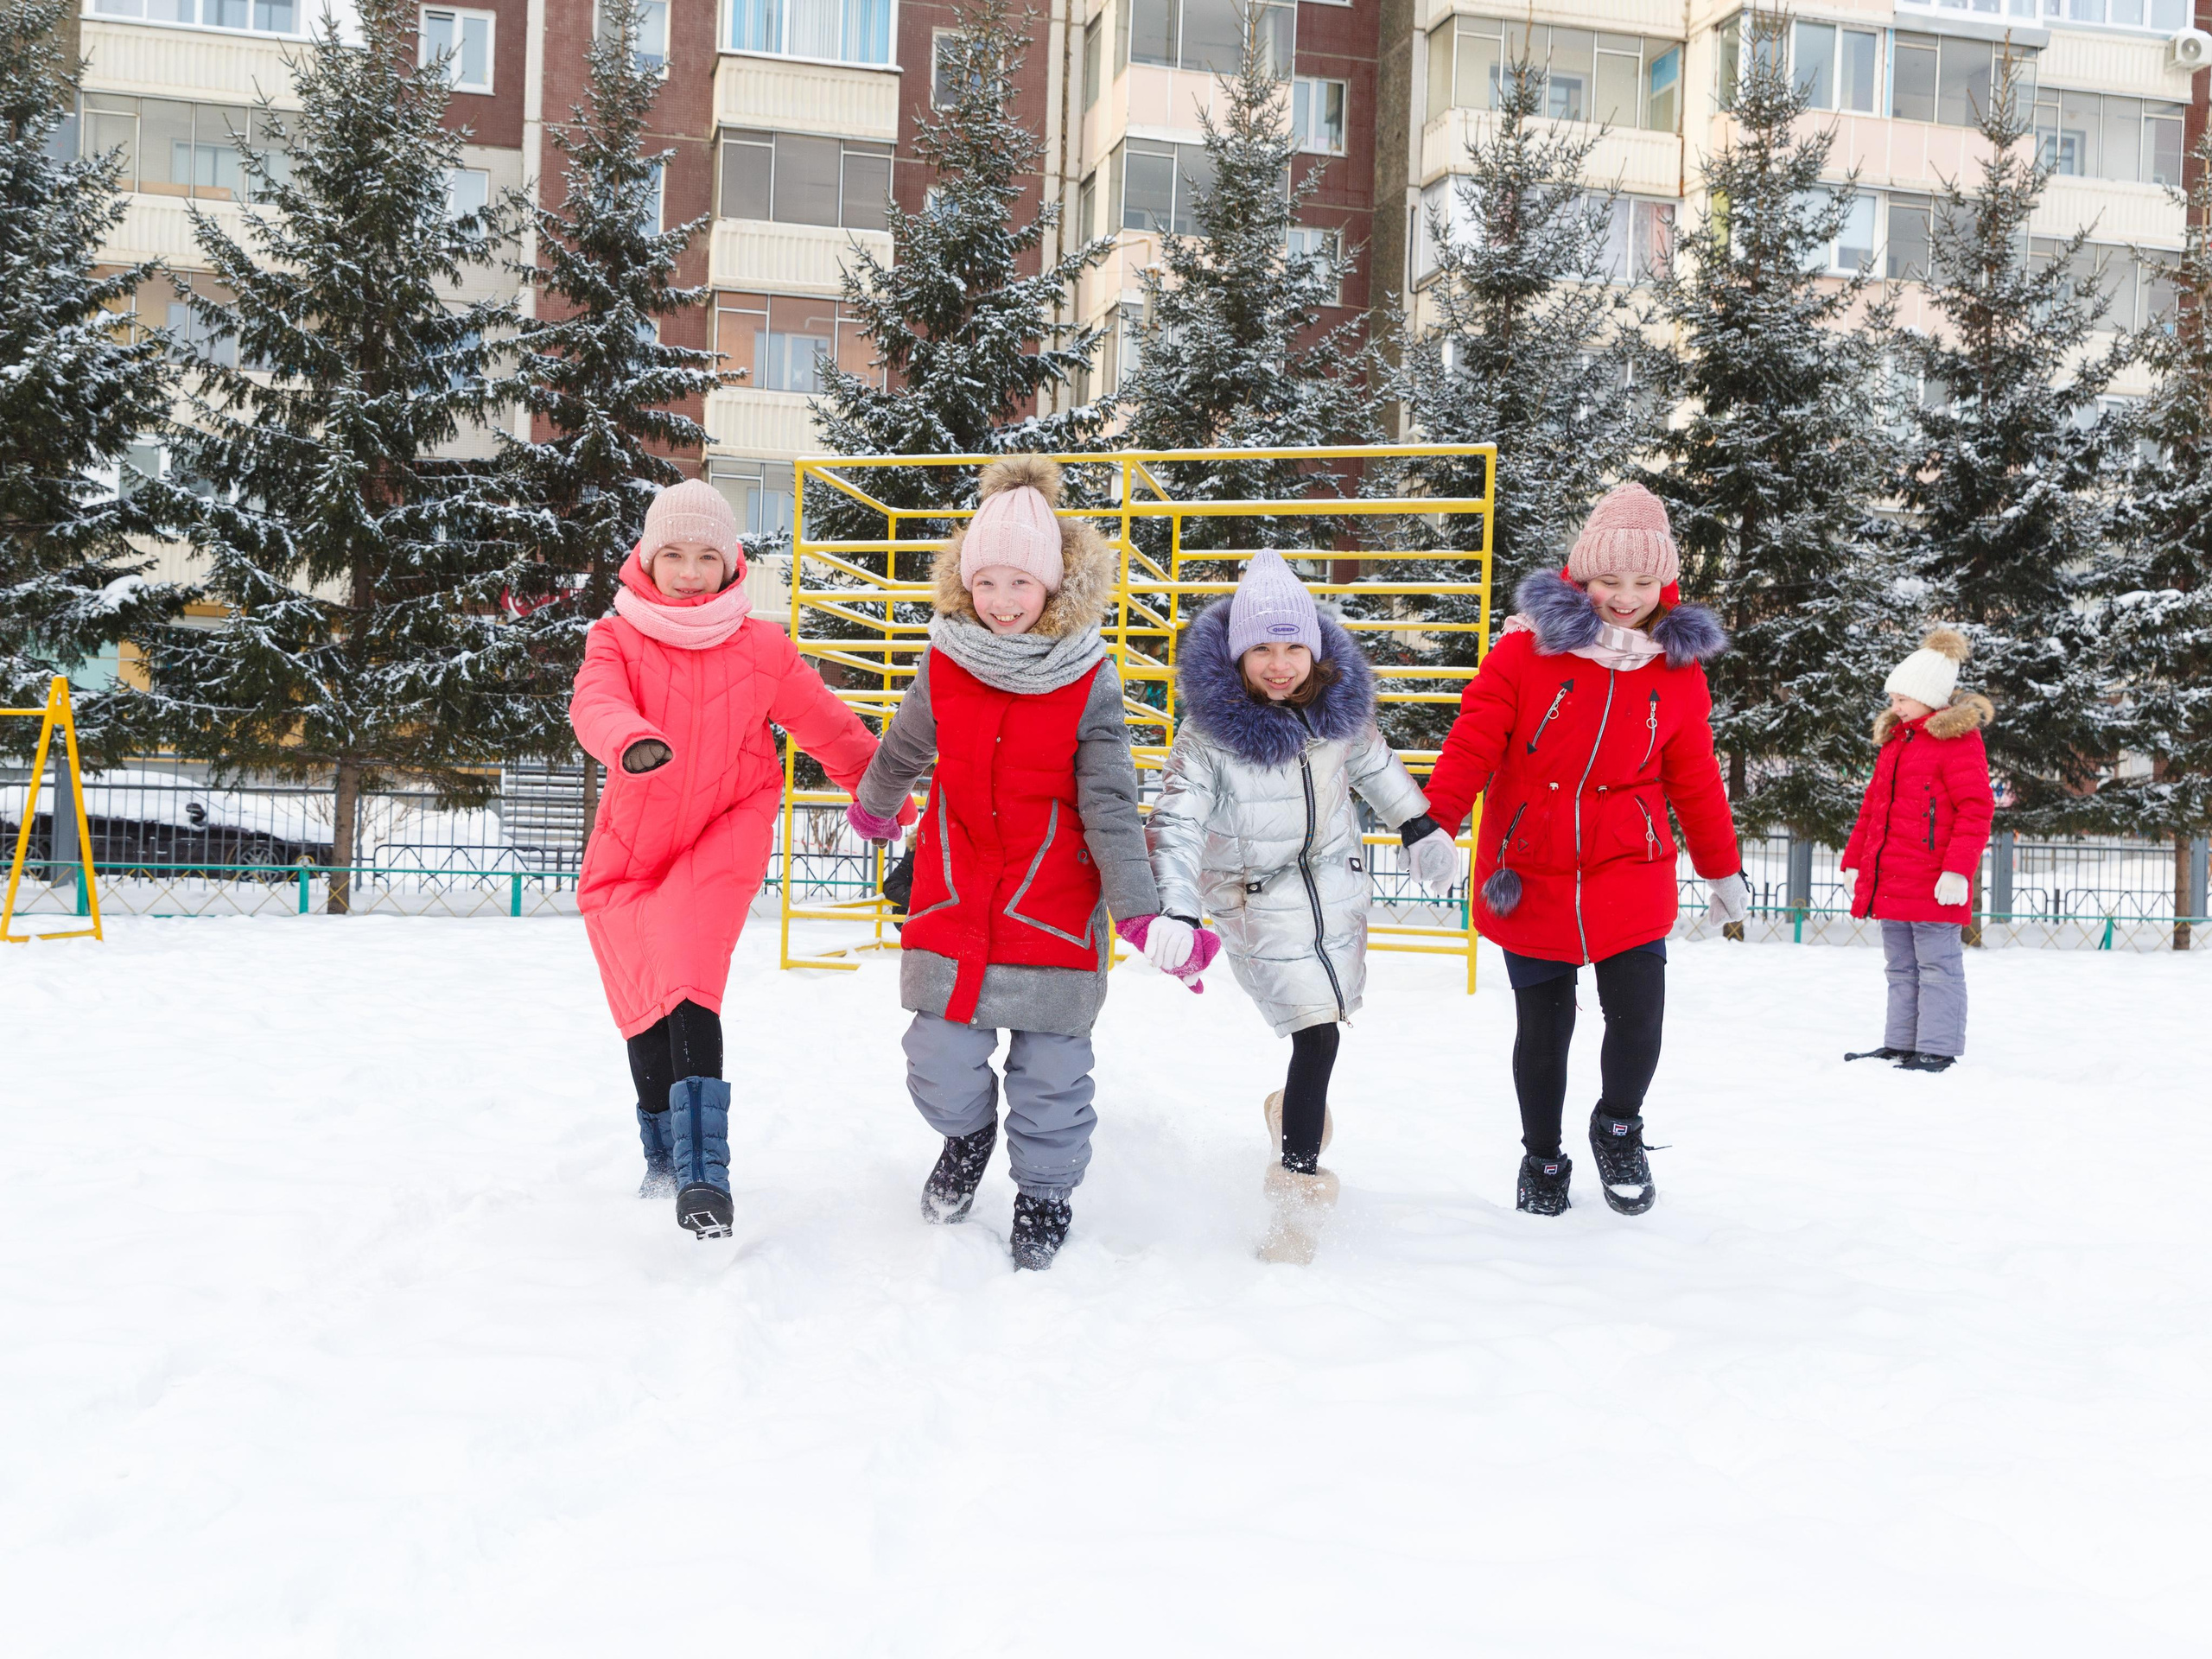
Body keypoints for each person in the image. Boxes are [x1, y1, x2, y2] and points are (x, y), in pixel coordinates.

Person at [848, 457, 1164, 1272]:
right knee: (936, 1052)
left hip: (1050, 900)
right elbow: (909, 744)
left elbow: (1110, 799)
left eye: (1020, 583)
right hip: (955, 891)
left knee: (1051, 1071)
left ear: (1054, 585)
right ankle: (967, 1138)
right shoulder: (945, 660)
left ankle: (1044, 1193)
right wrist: (878, 805)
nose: (1002, 601)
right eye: (985, 582)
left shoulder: (1088, 675)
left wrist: (1134, 902)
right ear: (963, 583)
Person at [570, 479, 896, 1239]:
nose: (689, 571)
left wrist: (881, 796)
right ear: (648, 560)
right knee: (643, 1003)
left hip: (726, 821)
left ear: (732, 563)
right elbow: (594, 703)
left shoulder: (761, 647)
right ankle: (662, 1158)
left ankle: (702, 1178)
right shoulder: (614, 637)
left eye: (706, 556)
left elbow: (829, 726)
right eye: (674, 555)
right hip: (634, 841)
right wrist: (627, 739)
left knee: (687, 979)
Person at [1421, 482, 1746, 1217]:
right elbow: (1475, 740)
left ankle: (1619, 1128)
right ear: (1579, 577)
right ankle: (1542, 1159)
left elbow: (1695, 777)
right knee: (1544, 1029)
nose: (1623, 597)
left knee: (1640, 1019)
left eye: (1640, 582)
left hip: (1630, 867)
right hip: (1529, 866)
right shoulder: (1523, 653)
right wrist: (1437, 822)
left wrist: (1720, 866)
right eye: (1607, 580)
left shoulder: (1677, 672)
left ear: (1664, 583)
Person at [1143, 550, 1457, 1264]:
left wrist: (1417, 824)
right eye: (1261, 649)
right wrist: (1178, 908)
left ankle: (1293, 1116)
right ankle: (1294, 1200)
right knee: (1318, 1034)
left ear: (1313, 650)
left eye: (1292, 647)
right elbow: (1179, 822)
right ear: (1237, 654)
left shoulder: (1339, 714)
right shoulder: (1209, 738)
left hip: (1334, 894)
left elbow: (1376, 766)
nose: (1279, 664)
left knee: (1326, 1023)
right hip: (1254, 896)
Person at [1840, 629, 1995, 1073]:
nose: (1896, 706)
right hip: (1892, 880)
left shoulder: (1957, 743)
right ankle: (1900, 1043)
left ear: (1930, 698)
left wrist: (1958, 871)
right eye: (1893, 697)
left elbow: (1976, 808)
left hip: (1934, 881)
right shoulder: (1896, 743)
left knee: (1938, 967)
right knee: (1900, 967)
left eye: (1904, 697)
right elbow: (1874, 809)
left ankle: (1937, 1047)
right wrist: (1854, 861)